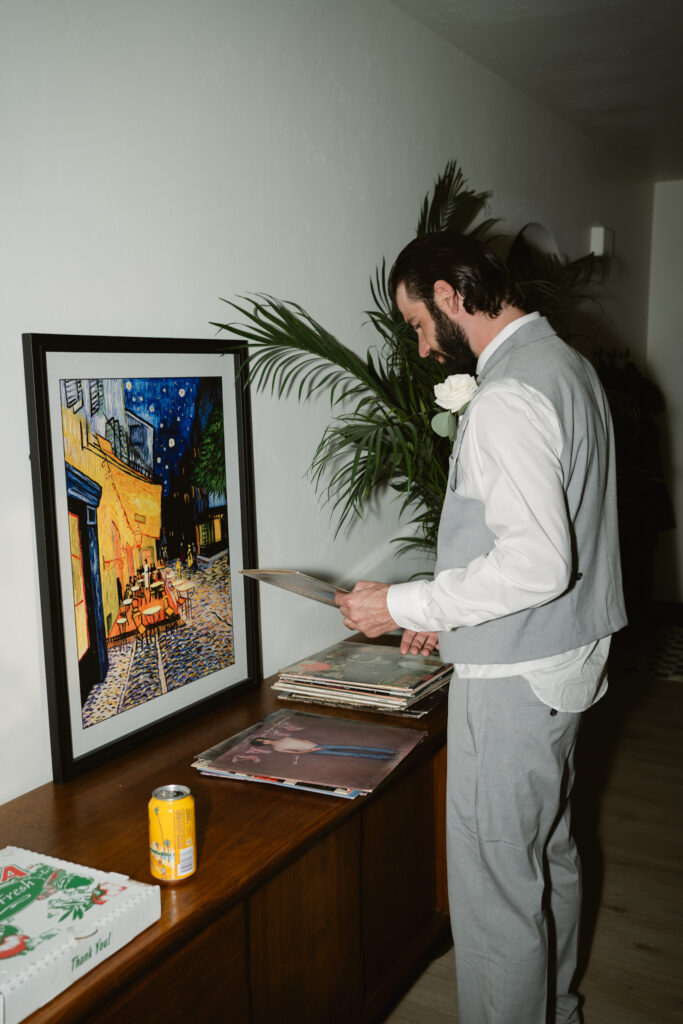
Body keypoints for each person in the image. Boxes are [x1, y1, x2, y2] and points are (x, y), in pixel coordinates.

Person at [335, 232, 626, 1024]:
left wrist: (399, 605)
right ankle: (554, 1010)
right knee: (547, 853)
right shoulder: (565, 366)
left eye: (420, 324)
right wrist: (446, 609)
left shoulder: (504, 397)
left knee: (497, 891)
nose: (423, 347)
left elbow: (535, 564)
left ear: (451, 295)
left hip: (513, 683)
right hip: (564, 659)